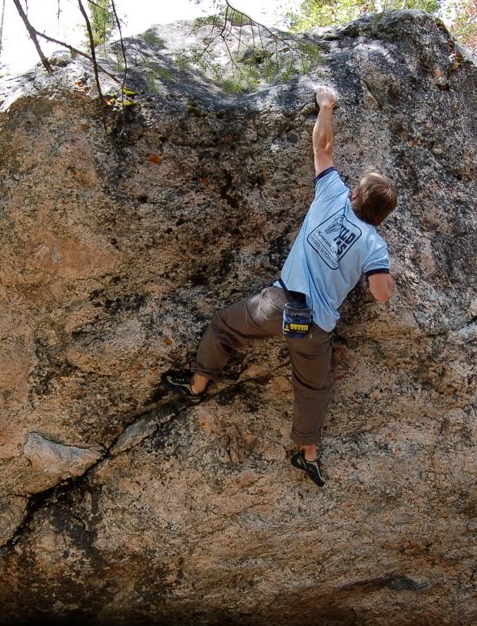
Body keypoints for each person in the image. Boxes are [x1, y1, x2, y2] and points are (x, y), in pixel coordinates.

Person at [163, 85, 397, 487]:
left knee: (224, 325)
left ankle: (198, 383)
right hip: (317, 327)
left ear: (355, 194)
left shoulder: (332, 196)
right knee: (312, 386)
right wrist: (382, 270)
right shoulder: (375, 244)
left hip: (279, 304)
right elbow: (380, 293)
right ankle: (307, 453)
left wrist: (326, 105)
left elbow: (322, 146)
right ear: (381, 216)